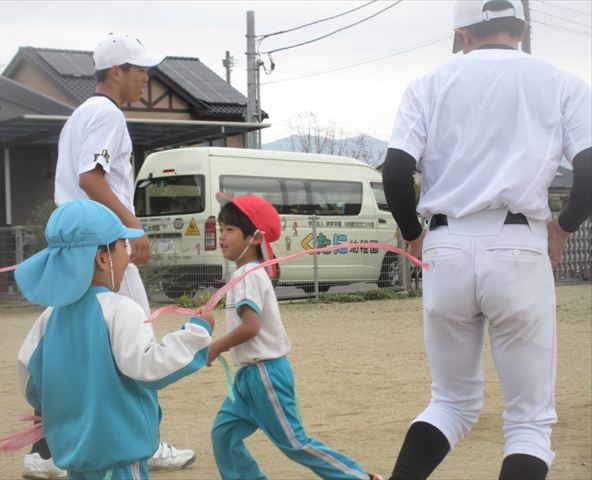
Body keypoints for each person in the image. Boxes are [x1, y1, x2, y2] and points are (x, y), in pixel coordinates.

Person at [381, 1, 592, 479]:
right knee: (528, 424)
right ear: (521, 25)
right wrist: (563, 226)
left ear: (463, 33)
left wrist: (413, 235)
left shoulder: (429, 83)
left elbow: (395, 170)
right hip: (519, 246)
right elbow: (589, 168)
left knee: (450, 404)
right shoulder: (562, 82)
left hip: (447, 245)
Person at [22, 34, 197, 479]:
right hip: (101, 244)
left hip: (77, 244)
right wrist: (132, 226)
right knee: (137, 336)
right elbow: (91, 178)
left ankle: (44, 448)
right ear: (116, 71)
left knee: (69, 339)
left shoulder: (81, 113)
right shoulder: (107, 113)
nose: (146, 78)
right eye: (140, 69)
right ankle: (146, 441)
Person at [15, 199, 214, 480]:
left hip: (74, 455)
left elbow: (30, 379)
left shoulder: (49, 318)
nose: (128, 256)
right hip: (118, 453)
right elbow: (149, 367)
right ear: (102, 258)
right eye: (123, 246)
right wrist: (197, 332)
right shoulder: (120, 309)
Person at [207, 193, 382, 480]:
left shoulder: (249, 274)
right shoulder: (244, 274)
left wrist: (216, 347)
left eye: (230, 230)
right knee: (223, 435)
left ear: (254, 238)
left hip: (264, 374)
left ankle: (360, 478)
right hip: (248, 377)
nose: (222, 236)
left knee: (295, 443)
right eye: (220, 229)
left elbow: (251, 327)